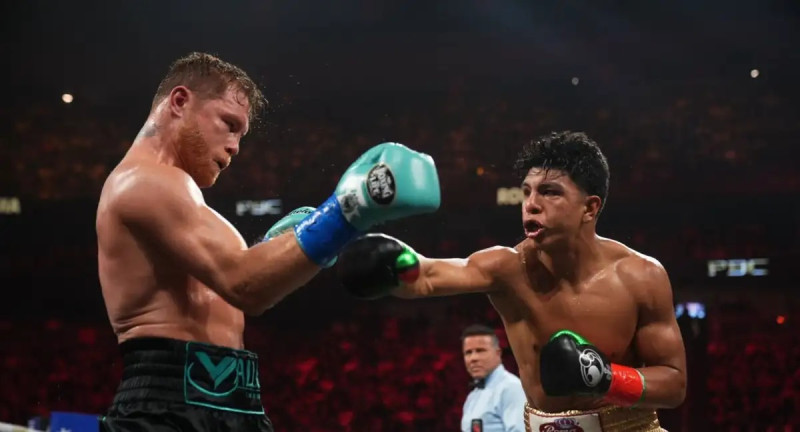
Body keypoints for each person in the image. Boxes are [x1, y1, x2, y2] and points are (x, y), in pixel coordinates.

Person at [95, 52, 440, 431]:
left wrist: (274, 248)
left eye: (241, 135)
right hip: (166, 407)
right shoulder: (143, 181)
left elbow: (235, 286)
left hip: (232, 402)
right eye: (229, 124)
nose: (235, 147)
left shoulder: (181, 199)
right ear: (180, 102)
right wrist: (347, 210)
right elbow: (243, 284)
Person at [337, 131, 687, 431]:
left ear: (590, 208)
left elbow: (674, 383)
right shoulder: (508, 268)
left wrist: (607, 379)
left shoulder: (641, 276)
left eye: (550, 192)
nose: (531, 205)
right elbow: (427, 277)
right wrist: (397, 264)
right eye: (526, 192)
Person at [460, 324, 527, 432]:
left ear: (498, 353)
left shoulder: (511, 388)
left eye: (480, 350)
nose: (473, 358)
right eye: (468, 352)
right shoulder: (472, 397)